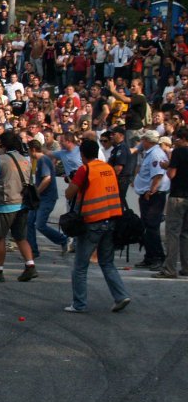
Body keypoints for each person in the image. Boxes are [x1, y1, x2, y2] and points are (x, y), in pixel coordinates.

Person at [63, 139, 130, 312]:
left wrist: (72, 183)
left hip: (92, 222)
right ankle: (121, 295)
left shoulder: (85, 170)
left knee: (79, 267)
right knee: (107, 262)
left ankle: (79, 304)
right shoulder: (108, 168)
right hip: (111, 220)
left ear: (82, 155)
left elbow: (69, 193)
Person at [0, 131, 38, 283]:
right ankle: (30, 265)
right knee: (20, 237)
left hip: (6, 203)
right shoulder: (25, 160)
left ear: (4, 145)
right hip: (23, 202)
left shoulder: (2, 159)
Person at [27, 140, 72, 256]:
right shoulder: (39, 161)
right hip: (40, 198)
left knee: (40, 225)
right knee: (29, 221)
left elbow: (47, 179)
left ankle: (63, 239)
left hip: (46, 198)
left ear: (32, 149)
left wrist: (37, 191)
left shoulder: (43, 160)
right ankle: (33, 250)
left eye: (28, 150)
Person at [133, 130, 170, 271]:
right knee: (147, 227)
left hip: (154, 195)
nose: (142, 142)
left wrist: (151, 191)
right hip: (149, 194)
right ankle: (149, 257)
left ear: (148, 141)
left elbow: (158, 175)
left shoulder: (155, 154)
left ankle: (158, 257)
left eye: (143, 140)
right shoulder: (151, 153)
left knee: (152, 227)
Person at [158, 127, 188, 278]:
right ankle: (186, 266)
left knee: (173, 233)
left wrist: (166, 166)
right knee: (185, 234)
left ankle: (170, 269)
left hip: (178, 195)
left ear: (181, 138)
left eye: (176, 139)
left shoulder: (178, 152)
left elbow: (172, 174)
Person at [107, 125, 134, 208]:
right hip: (118, 180)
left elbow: (118, 168)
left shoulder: (122, 148)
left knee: (117, 204)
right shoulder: (117, 148)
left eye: (114, 134)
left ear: (121, 135)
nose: (111, 136)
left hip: (120, 180)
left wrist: (108, 178)